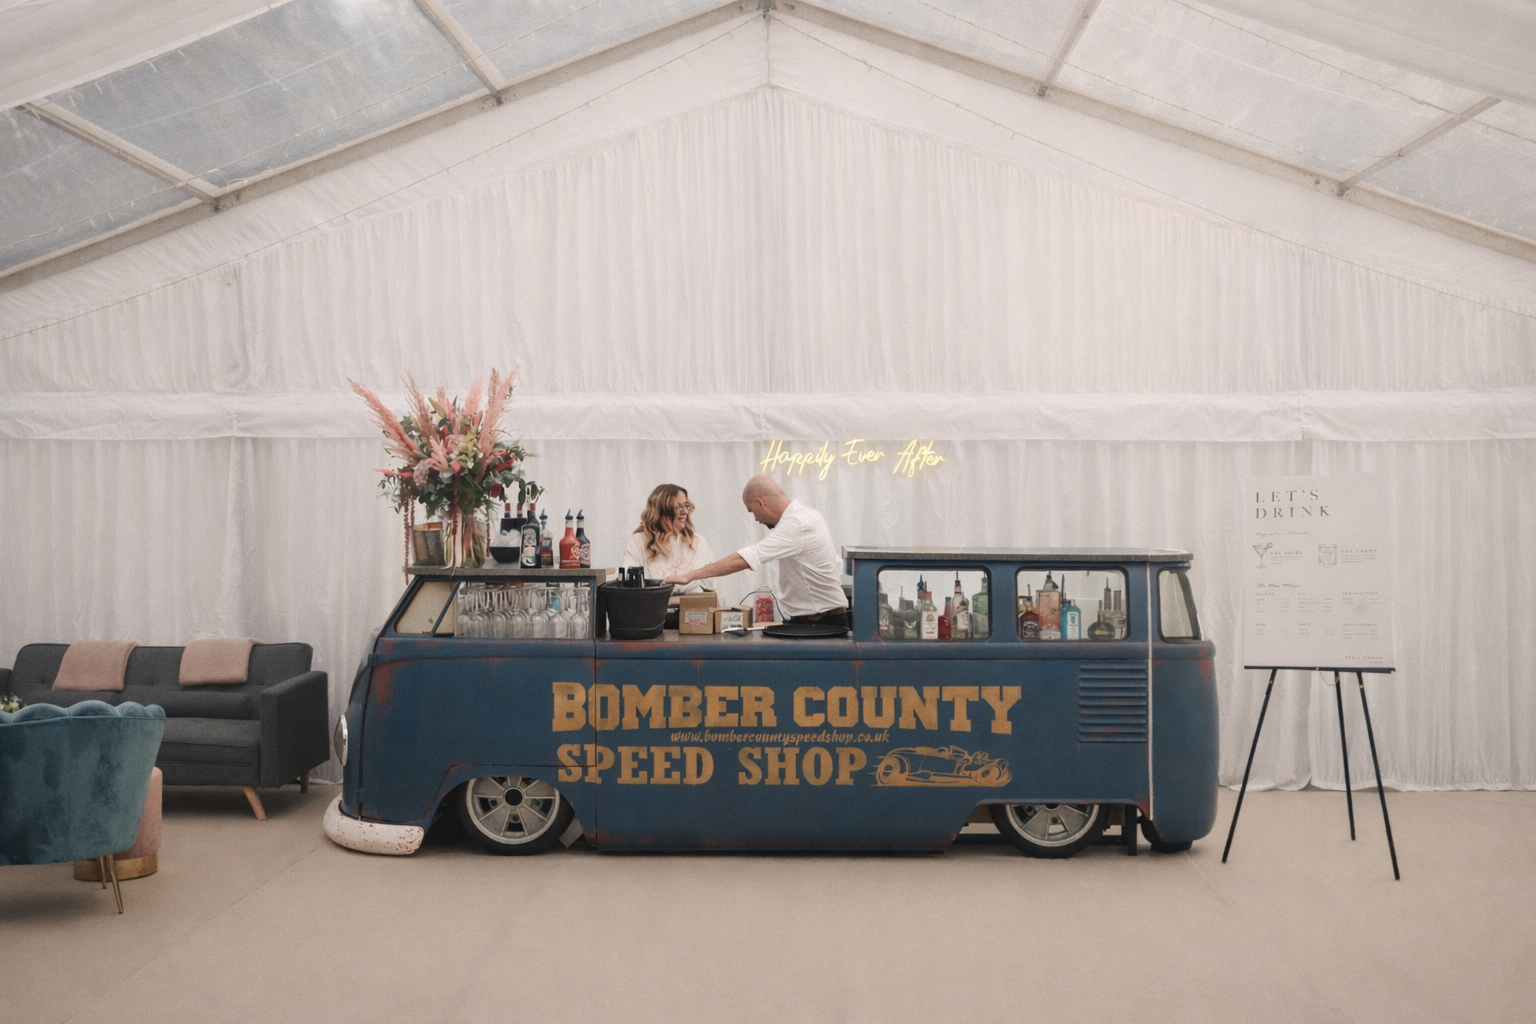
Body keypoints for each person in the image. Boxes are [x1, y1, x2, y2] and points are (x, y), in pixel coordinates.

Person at [663, 475, 848, 625]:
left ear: (760, 502)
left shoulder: (798, 524)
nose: (756, 519)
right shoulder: (806, 516)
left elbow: (746, 558)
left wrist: (689, 576)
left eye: (751, 511)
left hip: (822, 624)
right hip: (809, 621)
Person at [621, 484, 716, 606]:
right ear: (661, 510)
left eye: (686, 506)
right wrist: (682, 598)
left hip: (694, 619)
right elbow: (628, 585)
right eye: (678, 507)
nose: (685, 512)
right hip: (652, 619)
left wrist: (669, 600)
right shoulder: (639, 541)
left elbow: (709, 592)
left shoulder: (698, 542)